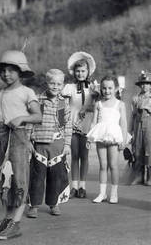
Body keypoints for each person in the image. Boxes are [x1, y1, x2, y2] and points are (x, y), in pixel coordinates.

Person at [0, 50, 42, 240]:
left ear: (20, 72)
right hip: (0, 137)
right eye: (3, 70)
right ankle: (7, 219)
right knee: (4, 180)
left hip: (18, 136)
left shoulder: (27, 92)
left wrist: (22, 118)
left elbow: (38, 116)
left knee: (19, 181)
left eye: (11, 70)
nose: (6, 74)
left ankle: (15, 223)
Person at [26, 69, 72, 218]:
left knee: (56, 176)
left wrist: (67, 145)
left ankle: (54, 203)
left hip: (57, 145)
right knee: (37, 177)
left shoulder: (64, 103)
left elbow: (68, 125)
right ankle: (34, 205)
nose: (55, 86)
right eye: (52, 83)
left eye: (59, 84)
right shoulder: (38, 101)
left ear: (63, 85)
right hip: (39, 145)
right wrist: (28, 140)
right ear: (46, 83)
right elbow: (30, 122)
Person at [62, 52, 98, 199]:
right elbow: (63, 105)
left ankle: (83, 186)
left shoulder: (93, 88)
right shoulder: (69, 87)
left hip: (87, 125)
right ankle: (74, 186)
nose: (80, 73)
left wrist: (90, 104)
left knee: (85, 156)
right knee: (74, 156)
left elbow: (98, 105)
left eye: (83, 71)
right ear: (73, 72)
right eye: (78, 71)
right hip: (72, 124)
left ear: (88, 71)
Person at [87, 75, 128, 204]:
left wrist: (124, 140)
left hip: (114, 136)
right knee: (103, 165)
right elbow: (94, 122)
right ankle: (102, 193)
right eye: (104, 88)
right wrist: (89, 138)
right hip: (101, 136)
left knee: (113, 165)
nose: (107, 91)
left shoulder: (120, 104)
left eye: (110, 88)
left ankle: (114, 193)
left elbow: (124, 123)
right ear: (101, 89)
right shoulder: (98, 104)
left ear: (116, 88)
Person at [130, 71, 151, 186]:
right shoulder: (136, 98)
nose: (144, 86)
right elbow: (132, 115)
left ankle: (150, 176)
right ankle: (139, 175)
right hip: (138, 124)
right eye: (142, 84)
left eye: (147, 83)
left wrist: (150, 109)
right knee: (137, 149)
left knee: (149, 150)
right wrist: (130, 131)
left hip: (149, 124)